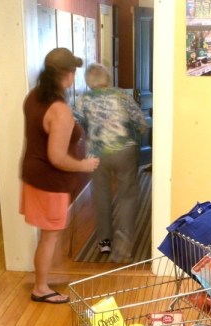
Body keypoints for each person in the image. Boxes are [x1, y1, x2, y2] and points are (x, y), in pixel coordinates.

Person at [21, 48, 100, 304]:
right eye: (72, 72)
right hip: (49, 181)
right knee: (49, 236)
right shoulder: (59, 110)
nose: (73, 77)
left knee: (47, 234)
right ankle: (41, 288)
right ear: (65, 74)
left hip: (33, 174)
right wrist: (84, 165)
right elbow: (57, 157)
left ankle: (43, 279)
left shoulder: (33, 97)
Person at [74, 63, 148, 260]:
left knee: (101, 195)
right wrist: (139, 133)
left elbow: (77, 125)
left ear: (88, 81)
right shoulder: (122, 95)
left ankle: (104, 242)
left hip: (97, 154)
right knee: (127, 195)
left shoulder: (82, 100)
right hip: (124, 151)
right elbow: (140, 121)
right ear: (107, 78)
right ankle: (124, 245)